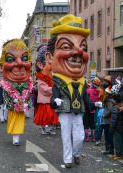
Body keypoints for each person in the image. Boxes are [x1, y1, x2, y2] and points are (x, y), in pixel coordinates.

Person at [48, 14, 102, 168]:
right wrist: (55, 101)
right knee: (66, 137)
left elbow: (85, 99)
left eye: (83, 47)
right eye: (66, 46)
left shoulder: (83, 82)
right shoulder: (58, 82)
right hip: (65, 112)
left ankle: (76, 154)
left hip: (79, 112)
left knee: (79, 137)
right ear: (50, 57)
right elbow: (53, 98)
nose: (79, 52)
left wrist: (94, 104)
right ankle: (68, 159)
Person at [0, 39, 33, 145]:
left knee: (20, 121)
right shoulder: (5, 84)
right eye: (10, 59)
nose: (19, 63)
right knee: (13, 120)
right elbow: (5, 95)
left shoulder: (28, 83)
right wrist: (13, 101)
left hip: (22, 107)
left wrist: (27, 103)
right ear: (0, 66)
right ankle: (15, 137)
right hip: (13, 107)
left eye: (24, 58)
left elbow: (29, 95)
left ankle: (16, 138)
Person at [33, 44, 58, 135]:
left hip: (51, 102)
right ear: (40, 65)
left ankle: (50, 128)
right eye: (49, 63)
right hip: (44, 102)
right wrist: (55, 89)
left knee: (52, 116)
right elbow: (44, 89)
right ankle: (44, 128)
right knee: (45, 116)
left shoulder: (51, 79)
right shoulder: (40, 79)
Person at [110, 82, 123, 160]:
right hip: (121, 127)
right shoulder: (121, 106)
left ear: (115, 100)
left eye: (113, 99)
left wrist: (111, 128)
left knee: (117, 141)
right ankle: (120, 154)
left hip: (117, 128)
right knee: (121, 141)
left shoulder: (115, 108)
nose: (112, 100)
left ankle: (118, 154)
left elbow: (114, 120)